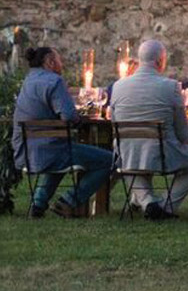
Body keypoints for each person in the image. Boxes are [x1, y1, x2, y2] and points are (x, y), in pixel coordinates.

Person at [109, 39, 188, 220]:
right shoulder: (170, 87)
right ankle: (166, 205)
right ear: (160, 61)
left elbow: (114, 124)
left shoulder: (118, 86)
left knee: (129, 160)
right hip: (162, 153)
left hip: (128, 153)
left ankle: (148, 202)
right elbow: (183, 133)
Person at [11, 46, 112, 219]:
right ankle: (68, 201)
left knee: (59, 152)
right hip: (50, 151)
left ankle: (38, 204)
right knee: (109, 160)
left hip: (26, 150)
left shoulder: (29, 80)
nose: (61, 64)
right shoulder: (54, 81)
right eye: (59, 60)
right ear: (50, 62)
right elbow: (69, 116)